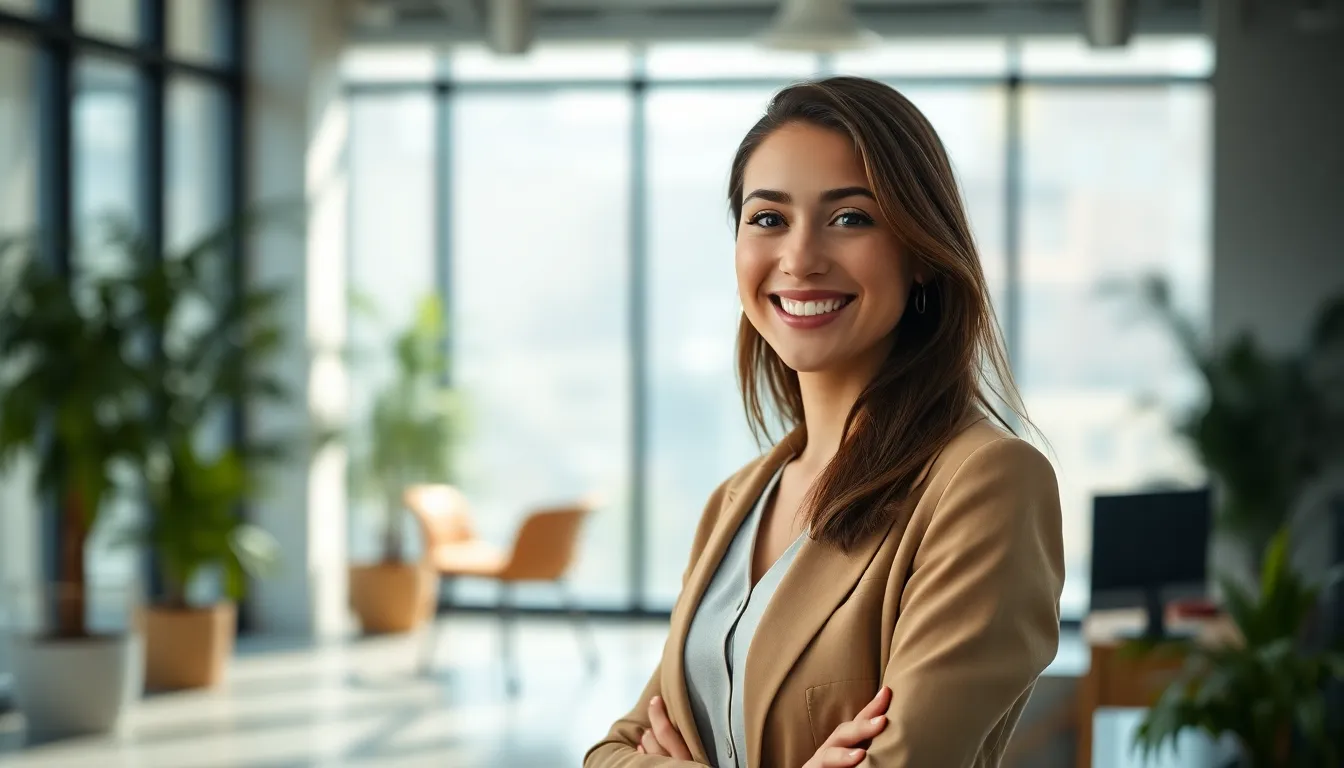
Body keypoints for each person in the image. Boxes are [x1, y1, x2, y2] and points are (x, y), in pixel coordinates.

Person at [584, 76, 1064, 768]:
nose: (800, 259)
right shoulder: (738, 499)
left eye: (850, 219)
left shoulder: (986, 481)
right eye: (768, 218)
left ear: (921, 252)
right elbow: (611, 751)